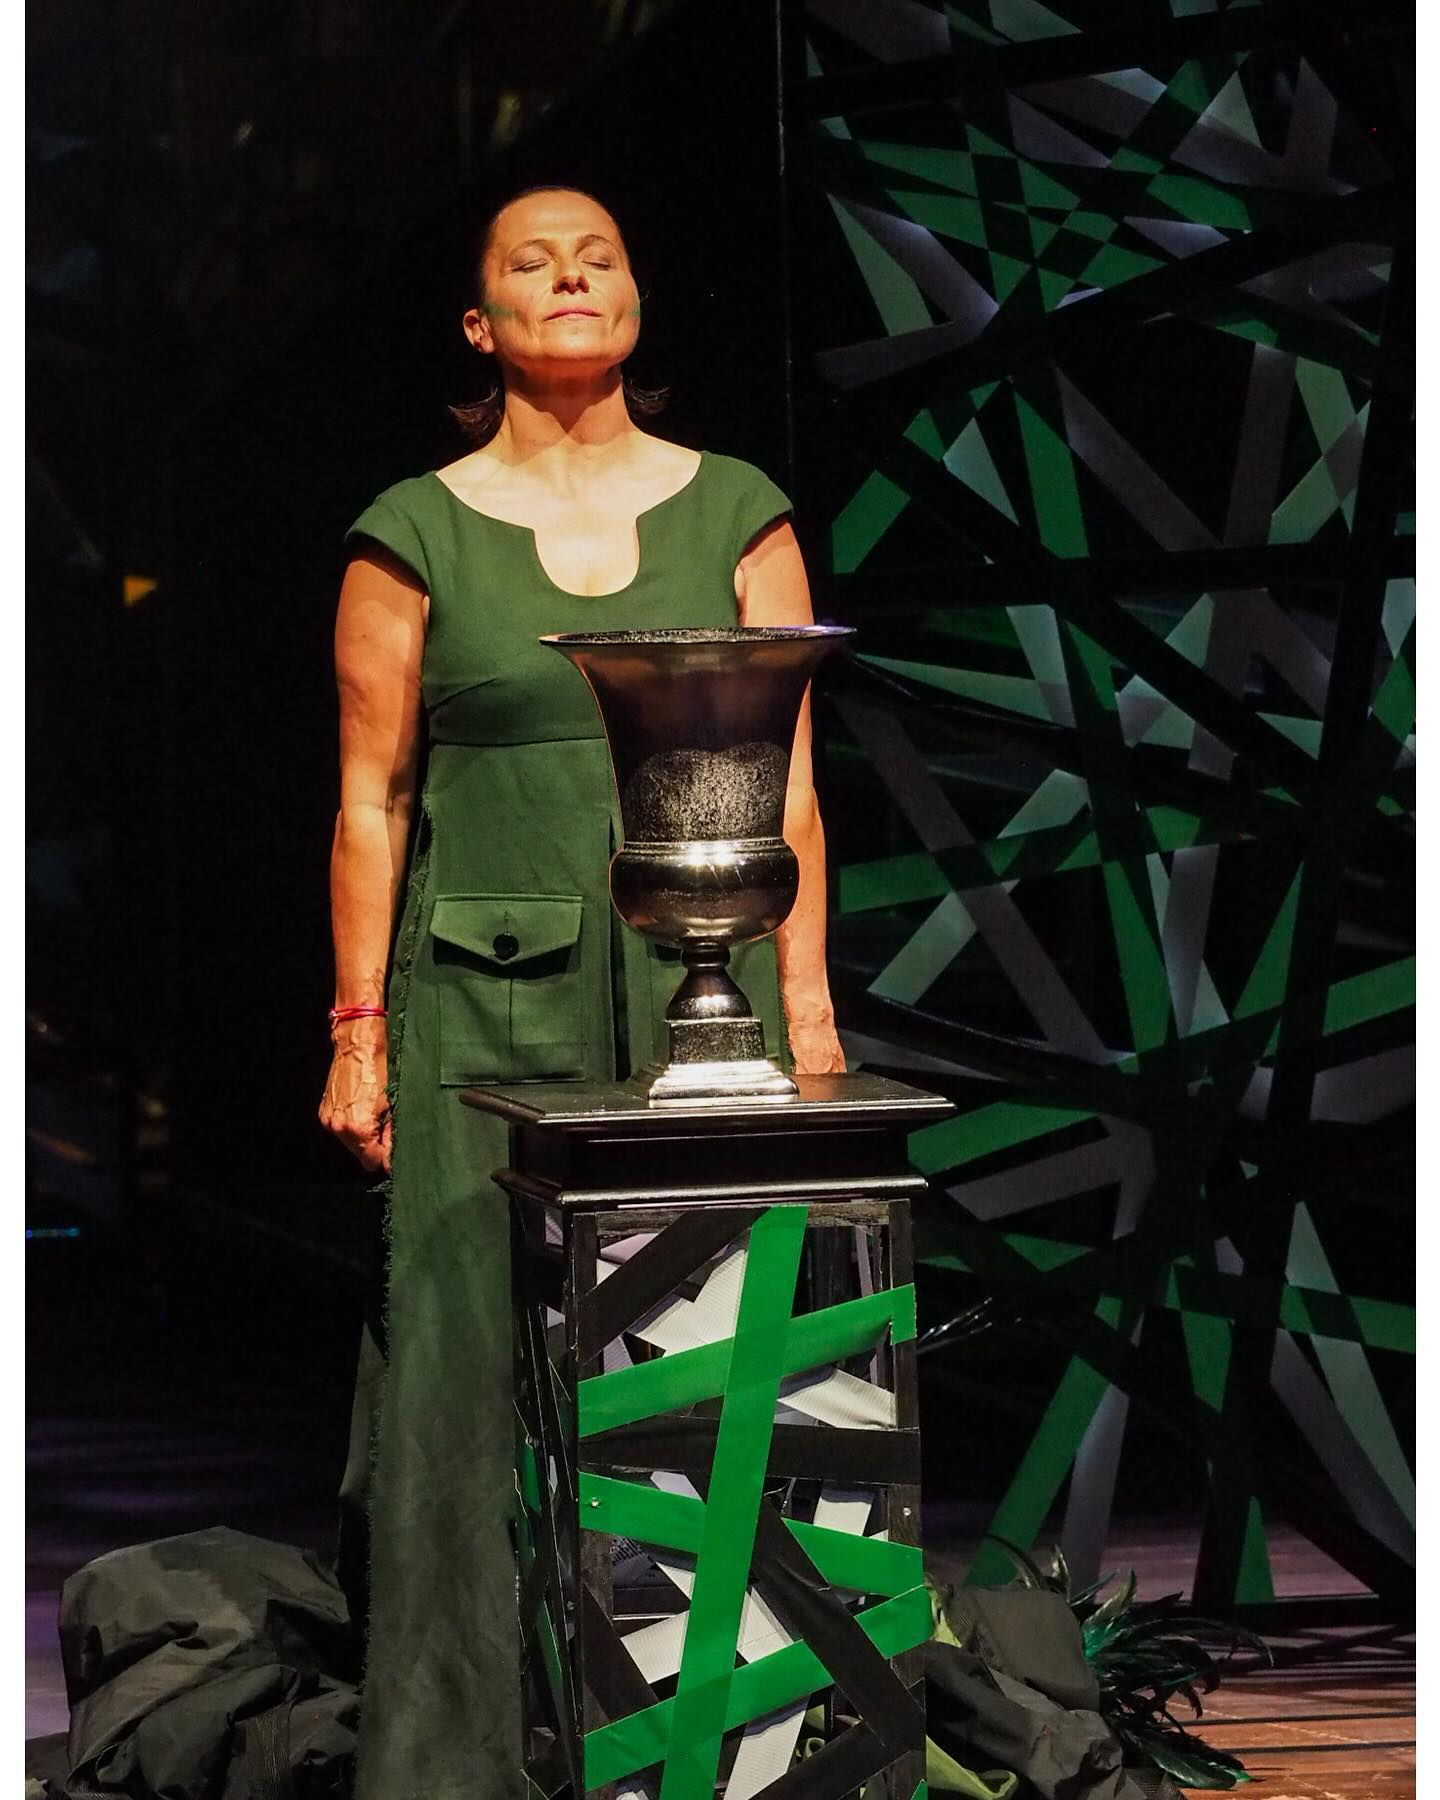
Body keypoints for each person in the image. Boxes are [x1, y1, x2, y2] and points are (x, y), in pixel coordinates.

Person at [318, 184, 845, 1799]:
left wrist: (811, 1005)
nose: (571, 276)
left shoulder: (737, 508)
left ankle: (730, 1759)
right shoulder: (412, 531)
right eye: (533, 263)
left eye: (600, 255)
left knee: (722, 1377)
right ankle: (453, 1766)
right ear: (479, 324)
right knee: (463, 1391)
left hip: (704, 997)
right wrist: (356, 1029)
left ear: (635, 304)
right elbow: (369, 798)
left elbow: (794, 786)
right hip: (481, 1007)